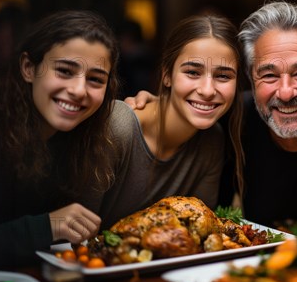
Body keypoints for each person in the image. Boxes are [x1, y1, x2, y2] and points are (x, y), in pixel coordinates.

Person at [128, 1, 297, 239]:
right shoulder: (231, 119)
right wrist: (154, 107)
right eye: (269, 75)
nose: (286, 93)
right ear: (252, 79)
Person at [0, 10, 120, 268]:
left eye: (95, 79)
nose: (79, 90)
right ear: (28, 68)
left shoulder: (82, 142)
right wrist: (48, 226)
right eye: (64, 71)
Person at [87, 15, 244, 229]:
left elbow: (198, 234)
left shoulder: (212, 139)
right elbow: (69, 235)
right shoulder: (117, 126)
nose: (207, 90)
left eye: (223, 76)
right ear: (167, 75)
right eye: (192, 72)